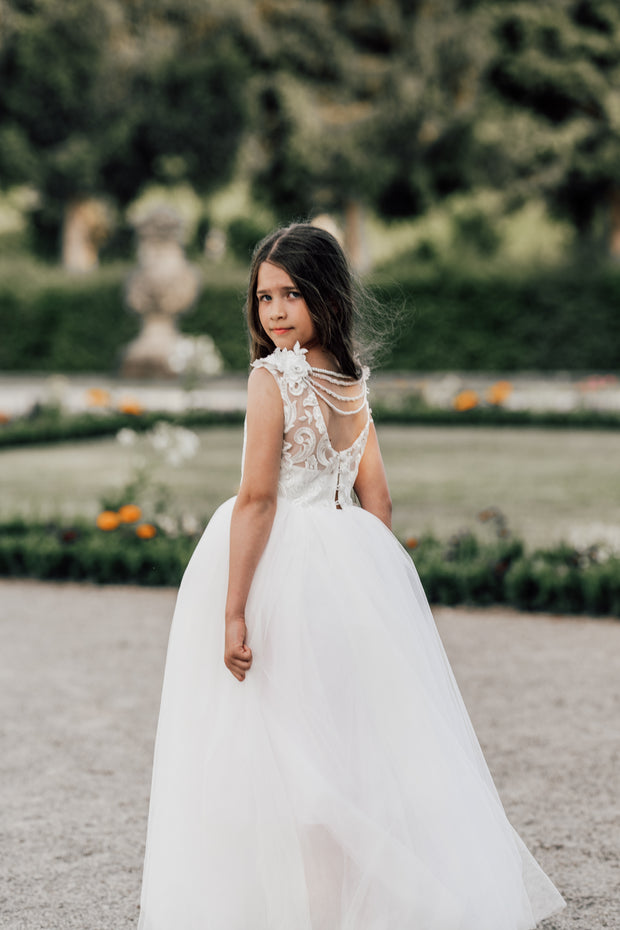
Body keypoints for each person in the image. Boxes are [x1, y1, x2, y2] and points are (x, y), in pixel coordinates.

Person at [137, 223, 565, 930]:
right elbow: (378, 498)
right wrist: (372, 588)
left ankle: (305, 912)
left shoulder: (273, 377)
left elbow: (258, 499)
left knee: (279, 752)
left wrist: (234, 609)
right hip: (344, 568)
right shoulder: (349, 377)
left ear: (323, 296)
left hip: (282, 574)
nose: (274, 312)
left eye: (291, 295)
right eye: (263, 296)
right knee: (338, 748)